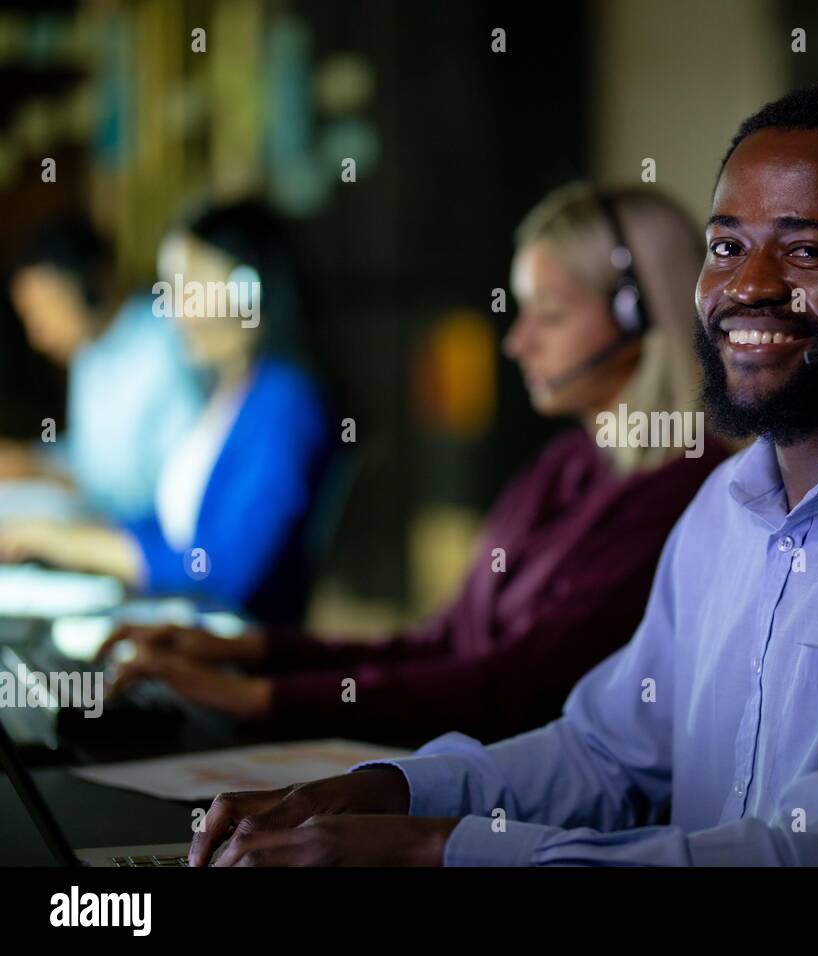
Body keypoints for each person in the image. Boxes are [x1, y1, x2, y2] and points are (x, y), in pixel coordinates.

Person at [185, 85, 818, 867]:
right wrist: (381, 793)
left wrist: (435, 849)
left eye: (805, 251)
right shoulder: (729, 506)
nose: (749, 285)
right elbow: (605, 752)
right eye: (727, 246)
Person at [98, 184, 727, 739]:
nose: (517, 341)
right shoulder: (565, 463)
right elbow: (443, 642)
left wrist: (262, 698)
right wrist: (249, 652)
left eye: (551, 314)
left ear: (637, 317)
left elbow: (513, 692)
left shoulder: (678, 492)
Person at [0, 200, 333, 626]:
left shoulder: (285, 406)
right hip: (184, 624)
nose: (173, 311)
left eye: (188, 286)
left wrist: (69, 543)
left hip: (226, 648)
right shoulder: (235, 396)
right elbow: (173, 526)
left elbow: (224, 567)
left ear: (247, 290)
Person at [0, 217, 203, 522]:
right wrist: (28, 460)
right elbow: (91, 455)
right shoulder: (89, 349)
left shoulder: (168, 346)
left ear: (92, 281)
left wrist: (45, 472)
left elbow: (167, 492)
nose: (38, 336)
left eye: (46, 309)